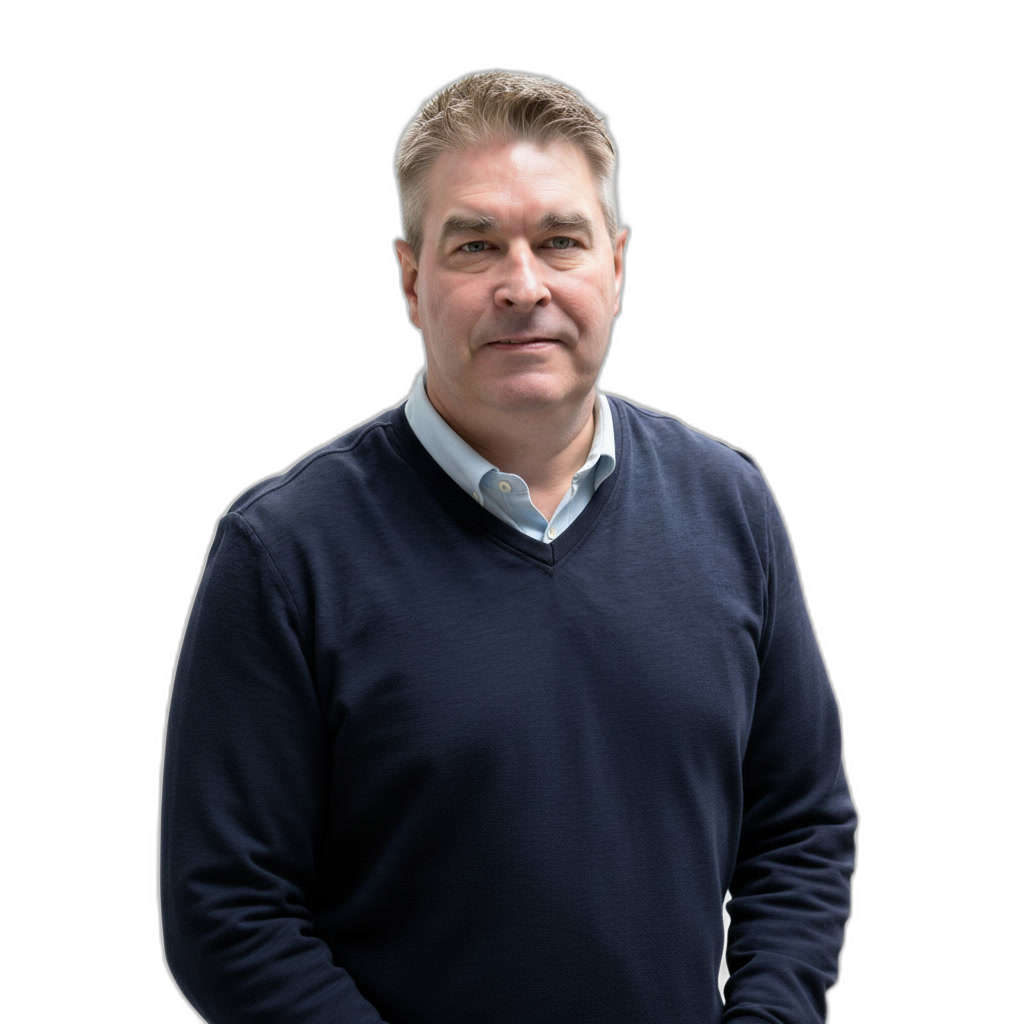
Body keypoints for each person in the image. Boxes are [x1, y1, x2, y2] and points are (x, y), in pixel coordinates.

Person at [160, 70, 856, 1023]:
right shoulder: (283, 552)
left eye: (560, 242)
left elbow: (802, 829)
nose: (522, 285)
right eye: (476, 245)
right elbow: (225, 911)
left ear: (615, 266)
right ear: (411, 278)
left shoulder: (729, 503)